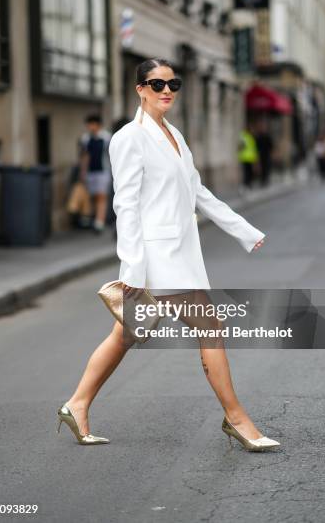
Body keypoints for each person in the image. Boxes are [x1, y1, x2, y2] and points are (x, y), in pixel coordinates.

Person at [57, 58, 280, 452]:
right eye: (156, 84)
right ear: (139, 89)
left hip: (180, 252)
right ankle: (237, 419)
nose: (166, 91)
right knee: (211, 328)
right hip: (157, 259)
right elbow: (125, 205)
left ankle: (77, 404)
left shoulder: (174, 134)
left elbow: (197, 192)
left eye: (173, 84)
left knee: (124, 335)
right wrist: (133, 268)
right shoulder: (129, 138)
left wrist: (242, 230)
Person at [79, 114, 112, 234]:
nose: (90, 127)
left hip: (103, 171)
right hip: (90, 172)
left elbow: (110, 155)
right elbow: (84, 156)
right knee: (93, 197)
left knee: (101, 196)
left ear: (97, 124)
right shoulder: (85, 139)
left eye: (91, 124)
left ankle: (99, 222)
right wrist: (83, 172)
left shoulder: (107, 137)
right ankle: (95, 219)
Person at [255, 118, 274, 187]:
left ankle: (266, 180)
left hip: (267, 155)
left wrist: (271, 154)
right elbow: (256, 146)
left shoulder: (267, 136)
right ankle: (262, 180)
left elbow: (271, 146)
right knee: (261, 168)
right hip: (260, 155)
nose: (261, 128)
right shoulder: (258, 137)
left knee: (266, 167)